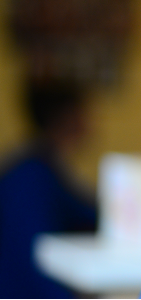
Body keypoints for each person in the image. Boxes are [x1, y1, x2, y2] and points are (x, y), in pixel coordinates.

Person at [0, 81, 97, 298]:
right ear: (65, 117)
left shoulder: (47, 167)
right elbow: (31, 257)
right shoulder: (29, 177)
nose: (92, 123)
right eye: (84, 113)